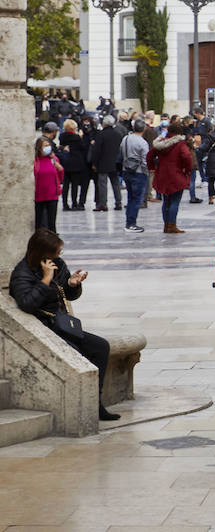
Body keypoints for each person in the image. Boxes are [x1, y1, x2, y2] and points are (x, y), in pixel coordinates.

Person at [9, 229, 120, 421]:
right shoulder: (22, 274)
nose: (59, 257)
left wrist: (73, 283)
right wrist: (45, 280)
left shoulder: (57, 264)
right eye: (56, 253)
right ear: (41, 254)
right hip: (43, 328)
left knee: (101, 346)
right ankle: (81, 406)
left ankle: (96, 403)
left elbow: (68, 294)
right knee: (76, 352)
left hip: (61, 325)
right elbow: (27, 304)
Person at [148, 121, 196, 234]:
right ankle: (172, 225)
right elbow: (187, 157)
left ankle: (166, 225)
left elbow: (149, 155)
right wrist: (187, 169)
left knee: (166, 201)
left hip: (162, 175)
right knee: (175, 201)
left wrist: (152, 167)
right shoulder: (180, 144)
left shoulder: (160, 143)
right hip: (176, 175)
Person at [117, 119, 151, 235]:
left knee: (130, 198)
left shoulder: (125, 139)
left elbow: (121, 152)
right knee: (136, 199)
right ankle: (131, 223)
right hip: (139, 172)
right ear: (144, 129)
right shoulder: (142, 143)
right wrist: (147, 172)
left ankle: (129, 222)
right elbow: (145, 160)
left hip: (126, 170)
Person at [89, 116, 123, 212]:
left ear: (104, 123)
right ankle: (118, 202)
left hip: (103, 162)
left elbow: (97, 150)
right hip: (115, 161)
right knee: (115, 183)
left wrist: (94, 162)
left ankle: (103, 204)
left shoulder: (101, 135)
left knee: (102, 183)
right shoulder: (117, 134)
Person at [33, 136, 64, 232]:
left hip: (52, 194)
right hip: (39, 195)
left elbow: (60, 176)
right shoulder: (35, 161)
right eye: (45, 146)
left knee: (52, 223)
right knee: (39, 222)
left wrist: (59, 168)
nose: (47, 147)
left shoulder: (53, 159)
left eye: (48, 145)